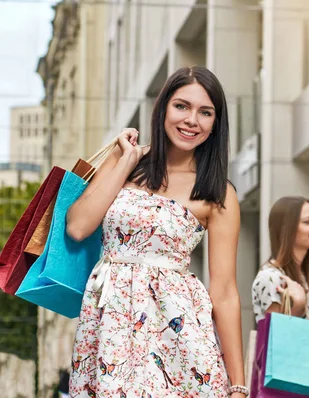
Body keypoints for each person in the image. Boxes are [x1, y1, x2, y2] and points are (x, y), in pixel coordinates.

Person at [66, 66, 247, 397]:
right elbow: (78, 226)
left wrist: (238, 384)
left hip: (176, 332)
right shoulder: (126, 159)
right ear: (163, 107)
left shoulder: (217, 192)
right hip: (110, 326)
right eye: (182, 106)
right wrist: (126, 162)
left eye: (205, 112)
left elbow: (224, 291)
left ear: (215, 125)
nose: (192, 120)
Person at [252, 196, 309, 322]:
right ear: (287, 229)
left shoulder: (303, 274)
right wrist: (298, 306)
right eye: (307, 222)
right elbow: (275, 336)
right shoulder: (271, 277)